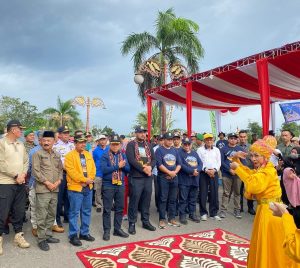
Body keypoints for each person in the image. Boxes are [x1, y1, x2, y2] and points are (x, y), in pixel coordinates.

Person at [230, 135, 298, 268]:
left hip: (271, 212)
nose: (253, 158)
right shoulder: (261, 169)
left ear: (265, 157)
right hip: (265, 210)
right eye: (252, 155)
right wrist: (236, 159)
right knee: (265, 243)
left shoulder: (268, 170)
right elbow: (250, 175)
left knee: (271, 244)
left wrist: (237, 168)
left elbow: (253, 185)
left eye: (257, 155)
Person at [0, 120, 30, 255]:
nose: (22, 131)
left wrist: (23, 174)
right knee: (3, 212)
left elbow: (26, 161)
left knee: (19, 211)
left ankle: (18, 235)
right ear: (13, 130)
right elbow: (1, 164)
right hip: (5, 182)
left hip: (20, 182)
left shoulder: (21, 144)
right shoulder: (2, 143)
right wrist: (16, 175)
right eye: (20, 129)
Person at [32, 131, 63, 251]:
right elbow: (36, 172)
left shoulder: (56, 154)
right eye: (44, 140)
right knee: (42, 215)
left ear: (53, 142)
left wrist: (58, 181)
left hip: (55, 189)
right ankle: (41, 239)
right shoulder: (37, 154)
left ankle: (48, 235)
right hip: (43, 189)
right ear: (41, 141)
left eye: (48, 140)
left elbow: (60, 170)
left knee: (51, 213)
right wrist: (48, 183)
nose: (46, 143)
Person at [64, 135, 96, 246]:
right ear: (75, 143)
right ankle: (73, 235)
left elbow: (93, 168)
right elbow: (71, 172)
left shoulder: (88, 154)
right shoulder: (69, 156)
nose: (83, 144)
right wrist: (83, 180)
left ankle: (84, 233)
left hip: (88, 187)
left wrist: (90, 179)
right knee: (74, 212)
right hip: (76, 188)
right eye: (80, 142)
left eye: (84, 142)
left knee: (86, 211)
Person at [126, 126, 156, 235]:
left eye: (144, 132)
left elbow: (154, 159)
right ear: (136, 133)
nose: (143, 134)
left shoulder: (148, 145)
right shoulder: (131, 145)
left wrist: (150, 168)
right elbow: (131, 160)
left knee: (146, 200)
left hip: (147, 177)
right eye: (140, 132)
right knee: (134, 201)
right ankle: (132, 223)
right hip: (136, 177)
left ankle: (145, 221)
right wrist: (144, 169)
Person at [101, 134, 130, 241]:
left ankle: (117, 229)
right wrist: (118, 166)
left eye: (117, 144)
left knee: (120, 208)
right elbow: (104, 170)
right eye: (113, 144)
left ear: (120, 145)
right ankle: (107, 231)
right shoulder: (105, 155)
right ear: (110, 144)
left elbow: (128, 169)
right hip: (108, 185)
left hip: (120, 184)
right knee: (107, 209)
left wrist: (123, 166)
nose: (115, 146)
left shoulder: (123, 155)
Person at [155, 132, 182, 229]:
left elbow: (179, 163)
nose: (171, 141)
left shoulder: (175, 150)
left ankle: (172, 218)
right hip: (163, 177)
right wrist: (169, 173)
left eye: (172, 139)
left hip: (174, 177)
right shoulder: (159, 150)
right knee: (163, 198)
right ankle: (162, 219)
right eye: (169, 139)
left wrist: (174, 172)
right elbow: (159, 164)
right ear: (164, 140)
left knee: (173, 199)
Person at [53, 126, 74, 228]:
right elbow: (55, 162)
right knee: (59, 198)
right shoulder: (55, 146)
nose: (67, 135)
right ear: (59, 135)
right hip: (60, 174)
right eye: (64, 133)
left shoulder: (72, 145)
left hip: (71, 175)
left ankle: (67, 216)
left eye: (68, 133)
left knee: (69, 197)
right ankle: (57, 219)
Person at [219, 132, 244, 219]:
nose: (233, 140)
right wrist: (229, 169)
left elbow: (243, 162)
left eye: (234, 138)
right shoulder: (223, 149)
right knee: (226, 193)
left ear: (237, 139)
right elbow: (221, 162)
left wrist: (237, 170)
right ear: (228, 139)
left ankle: (237, 209)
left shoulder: (240, 149)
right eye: (231, 138)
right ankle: (223, 210)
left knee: (237, 193)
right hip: (227, 174)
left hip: (238, 174)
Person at [197, 133, 221, 221]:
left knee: (214, 192)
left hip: (214, 172)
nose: (209, 141)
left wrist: (214, 170)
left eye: (211, 139)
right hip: (204, 173)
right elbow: (199, 162)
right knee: (203, 192)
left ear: (213, 140)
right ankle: (203, 213)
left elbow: (219, 162)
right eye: (207, 139)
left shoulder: (217, 150)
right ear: (204, 141)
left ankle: (214, 213)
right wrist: (206, 170)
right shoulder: (199, 150)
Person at [178, 138, 202, 224]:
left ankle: (192, 214)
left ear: (191, 145)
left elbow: (200, 163)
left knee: (193, 199)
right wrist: (192, 171)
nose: (187, 146)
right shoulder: (179, 153)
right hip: (184, 180)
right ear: (182, 144)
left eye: (188, 144)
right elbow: (181, 165)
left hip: (194, 180)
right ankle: (182, 215)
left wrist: (197, 171)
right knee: (183, 199)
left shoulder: (194, 153)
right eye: (185, 144)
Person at [238, 130, 256, 215]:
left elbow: (255, 159)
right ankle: (239, 207)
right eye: (241, 137)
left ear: (247, 137)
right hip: (239, 172)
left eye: (244, 137)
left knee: (250, 190)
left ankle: (250, 207)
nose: (242, 138)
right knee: (239, 190)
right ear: (239, 137)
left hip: (250, 171)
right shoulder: (236, 147)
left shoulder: (252, 147)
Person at [283, 147, 300, 228]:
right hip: (291, 193)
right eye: (292, 151)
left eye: (295, 152)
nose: (293, 153)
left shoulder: (298, 163)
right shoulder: (287, 168)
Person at [93, 134, 109, 213]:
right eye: (101, 140)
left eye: (104, 139)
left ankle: (109, 204)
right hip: (98, 173)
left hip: (108, 173)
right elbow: (93, 162)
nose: (102, 141)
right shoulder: (95, 151)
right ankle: (99, 205)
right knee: (98, 190)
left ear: (106, 140)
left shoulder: (109, 149)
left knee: (108, 190)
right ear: (98, 141)